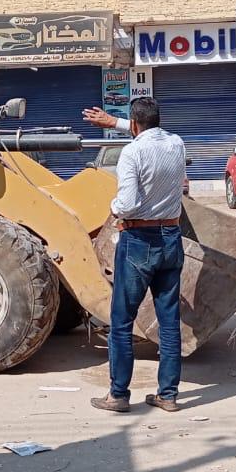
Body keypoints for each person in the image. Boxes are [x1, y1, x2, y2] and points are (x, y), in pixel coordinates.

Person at [82, 99, 187, 414]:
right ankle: (168, 395)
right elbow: (147, 132)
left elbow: (126, 204)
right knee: (169, 321)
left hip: (139, 241)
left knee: (122, 321)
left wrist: (113, 207)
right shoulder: (176, 143)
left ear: (135, 123)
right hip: (171, 238)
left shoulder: (131, 152)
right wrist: (112, 122)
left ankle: (118, 394)